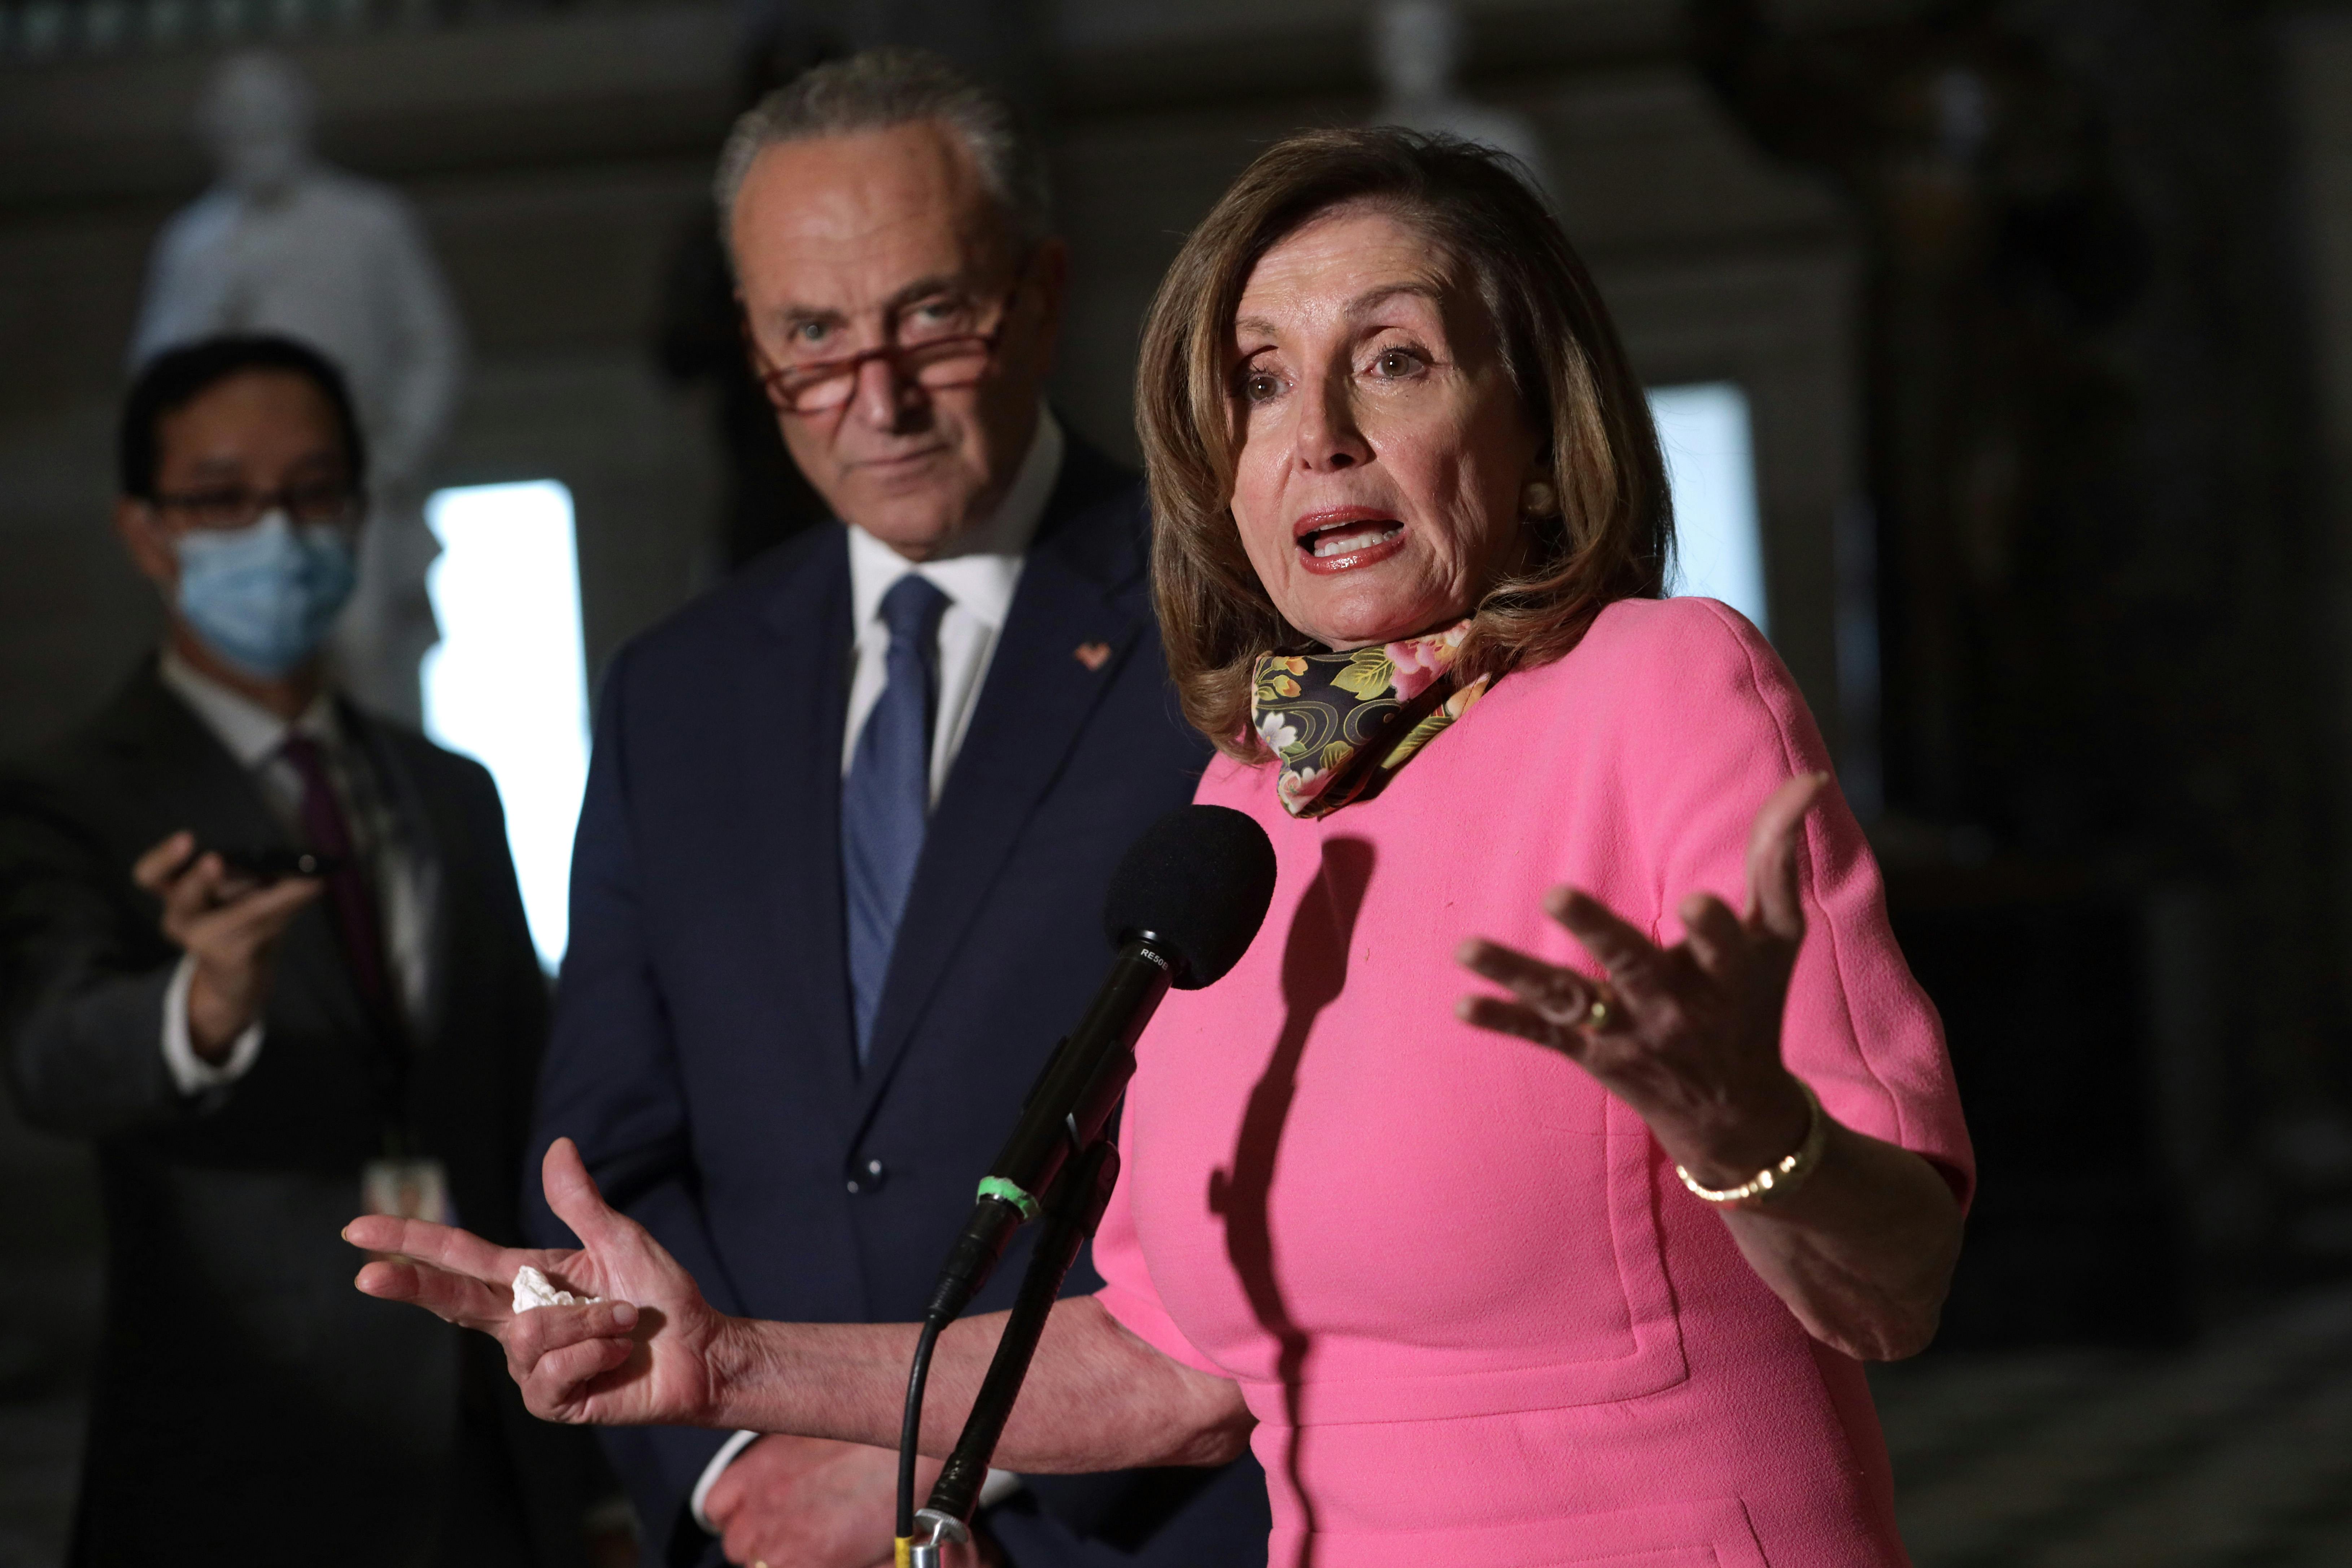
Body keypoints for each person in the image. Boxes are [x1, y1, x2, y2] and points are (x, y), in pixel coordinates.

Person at [349, 128, 1974, 1568]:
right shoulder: (1248, 803)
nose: (1316, 431)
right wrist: (728, 1366)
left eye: (1394, 359)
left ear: (1540, 428)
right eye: (1261, 381)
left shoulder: (1664, 684)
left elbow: (1894, 1286)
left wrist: (1746, 1130)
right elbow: (1179, 1361)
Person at [516, 48, 1269, 1568]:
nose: (879, 397)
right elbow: (610, 1138)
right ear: (753, 344)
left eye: (931, 314)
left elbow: (1287, 1147)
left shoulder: (1232, 624)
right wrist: (736, 1475)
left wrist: (941, 1463)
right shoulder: (676, 690)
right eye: (812, 335)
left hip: (1130, 1525)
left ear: (1042, 292)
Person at [0, 335, 608, 1565]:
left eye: (311, 490)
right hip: (241, 1458)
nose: (275, 531)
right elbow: (53, 1054)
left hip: (496, 1444)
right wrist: (199, 1003)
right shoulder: (66, 798)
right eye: (224, 497)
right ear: (147, 530)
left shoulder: (450, 789)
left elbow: (522, 1102)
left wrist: (591, 1467)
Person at [132, 49, 467, 728]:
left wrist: (400, 452)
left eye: (268, 116)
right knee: (250, 672)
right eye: (239, 121)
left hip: (354, 480)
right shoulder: (195, 246)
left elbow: (433, 348)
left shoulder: (369, 221)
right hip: (235, 502)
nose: (256, 133)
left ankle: (379, 823)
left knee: (367, 656)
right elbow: (154, 382)